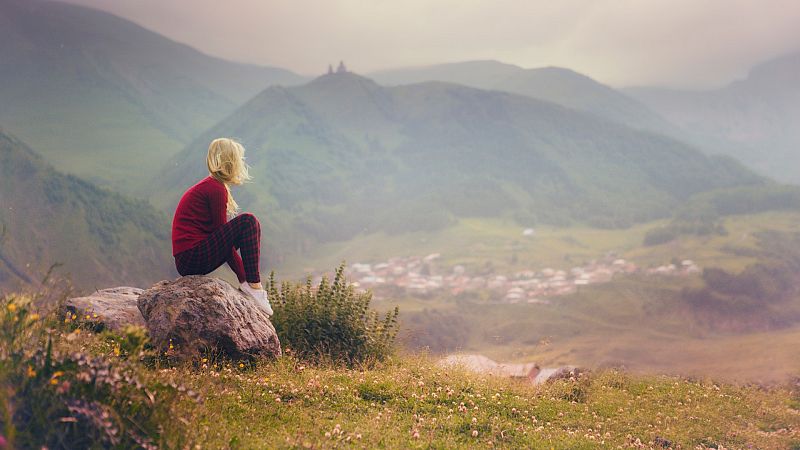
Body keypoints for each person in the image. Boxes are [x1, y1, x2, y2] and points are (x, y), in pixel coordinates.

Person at [171, 138, 273, 316]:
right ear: (230, 161)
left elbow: (222, 239)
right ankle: (254, 286)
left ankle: (252, 285)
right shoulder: (215, 189)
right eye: (239, 159)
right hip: (192, 257)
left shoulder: (213, 186)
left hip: (188, 259)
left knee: (250, 224)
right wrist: (245, 279)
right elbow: (223, 241)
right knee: (248, 221)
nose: (241, 163)